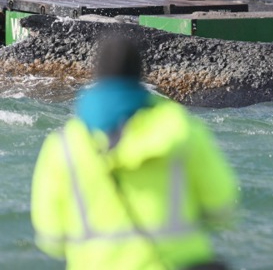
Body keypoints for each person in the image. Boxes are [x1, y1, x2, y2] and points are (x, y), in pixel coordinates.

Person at [31, 33, 239, 269]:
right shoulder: (181, 130)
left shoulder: (64, 146)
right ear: (139, 75)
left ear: (96, 75)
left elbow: (51, 239)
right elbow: (222, 206)